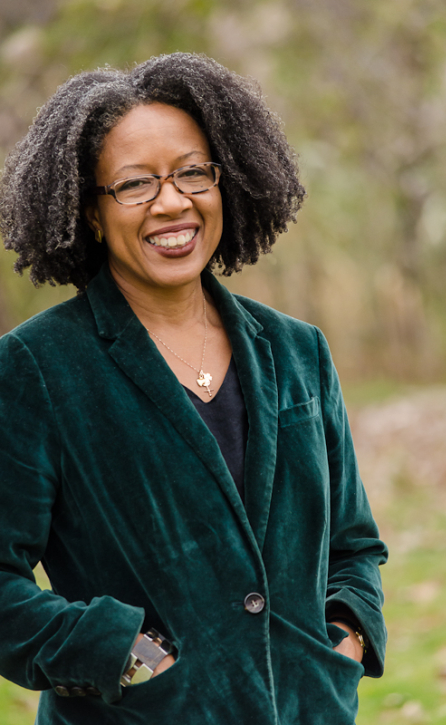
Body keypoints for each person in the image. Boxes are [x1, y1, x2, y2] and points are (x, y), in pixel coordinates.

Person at [0, 53, 387, 725]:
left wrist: (345, 639)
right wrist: (129, 655)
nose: (172, 202)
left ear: (226, 181)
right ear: (91, 212)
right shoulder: (36, 367)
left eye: (191, 173)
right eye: (134, 184)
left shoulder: (299, 352)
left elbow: (353, 546)